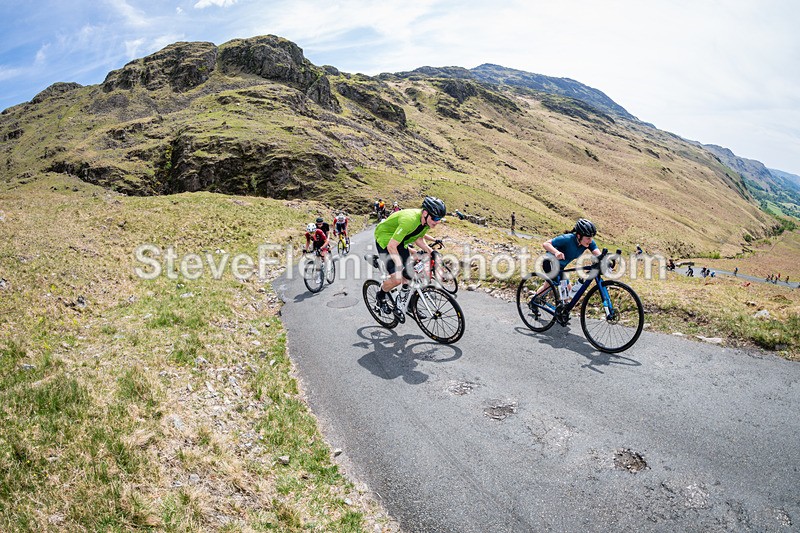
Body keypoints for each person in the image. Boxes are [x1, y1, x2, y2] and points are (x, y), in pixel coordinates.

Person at [374, 196, 447, 315]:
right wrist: (399, 266)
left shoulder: (425, 223)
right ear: (425, 213)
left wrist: (432, 252)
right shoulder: (409, 220)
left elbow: (419, 239)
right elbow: (391, 246)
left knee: (410, 273)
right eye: (435, 218)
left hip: (400, 241)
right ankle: (380, 296)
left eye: (440, 219)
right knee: (397, 278)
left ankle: (406, 303)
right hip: (386, 240)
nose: (437, 221)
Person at [537, 218, 602, 298]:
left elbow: (599, 255)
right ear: (579, 236)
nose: (590, 241)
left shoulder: (588, 243)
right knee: (562, 289)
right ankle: (536, 300)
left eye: (591, 238)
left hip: (560, 267)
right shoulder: (567, 239)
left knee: (565, 290)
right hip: (550, 262)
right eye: (588, 238)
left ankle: (535, 299)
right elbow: (546, 244)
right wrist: (556, 252)